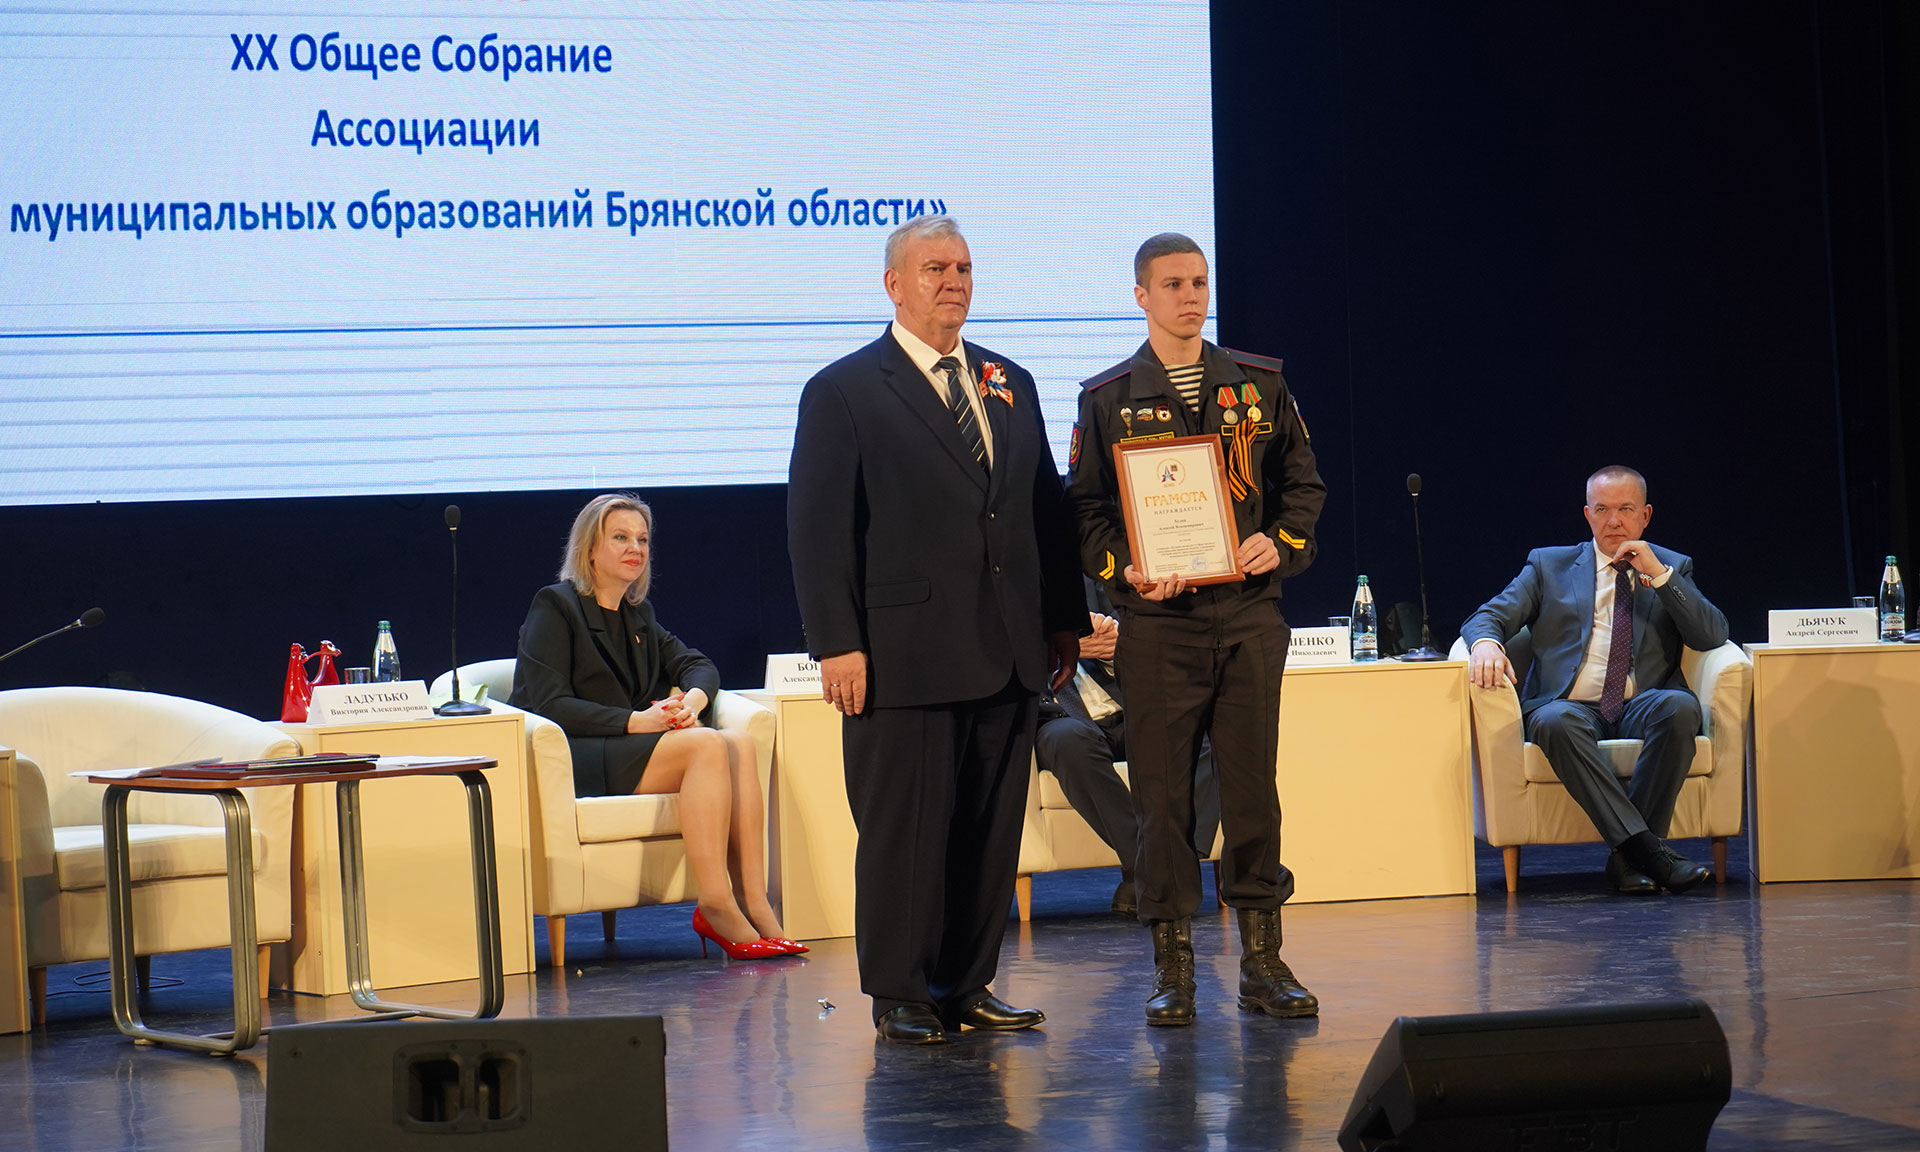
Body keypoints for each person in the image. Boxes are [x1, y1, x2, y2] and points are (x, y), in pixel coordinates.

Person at [788, 215, 1084, 1044]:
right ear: (894, 284)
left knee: (988, 833)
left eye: (962, 268)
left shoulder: (1008, 379)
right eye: (934, 269)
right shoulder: (844, 389)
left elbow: (1042, 508)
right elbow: (817, 529)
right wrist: (837, 642)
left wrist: (1063, 619)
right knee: (906, 833)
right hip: (901, 657)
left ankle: (966, 984)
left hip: (1009, 649)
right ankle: (901, 993)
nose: (953, 282)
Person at [1065, 232, 1326, 1026]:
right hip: (1157, 624)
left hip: (1246, 616)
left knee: (1251, 794)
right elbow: (1085, 511)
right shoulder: (1107, 398)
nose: (1191, 296)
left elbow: (1303, 487)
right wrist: (1124, 571)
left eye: (1200, 282)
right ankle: (1173, 967)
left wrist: (1278, 543)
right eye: (1174, 284)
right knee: (1162, 801)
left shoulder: (1258, 382)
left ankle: (1262, 963)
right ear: (1141, 296)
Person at [509, 493, 801, 960]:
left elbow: (697, 665)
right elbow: (550, 703)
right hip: (577, 753)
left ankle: (754, 901)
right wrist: (635, 721)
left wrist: (693, 700)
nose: (635, 548)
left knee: (738, 743)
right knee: (705, 745)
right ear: (589, 549)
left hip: (625, 748)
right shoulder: (556, 605)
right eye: (620, 537)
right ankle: (715, 903)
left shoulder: (637, 613)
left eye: (642, 540)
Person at [1461, 466, 1728, 895]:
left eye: (1626, 509)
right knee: (1554, 722)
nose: (1613, 521)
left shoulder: (1671, 565)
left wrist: (1660, 577)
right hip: (1570, 706)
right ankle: (1650, 852)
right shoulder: (1549, 565)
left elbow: (1712, 635)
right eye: (1602, 509)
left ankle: (1627, 859)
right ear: (1588, 515)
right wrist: (1486, 644)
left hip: (1642, 702)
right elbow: (1487, 615)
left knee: (1680, 708)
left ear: (1646, 515)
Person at [1036, 582, 1221, 918]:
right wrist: (1061, 649)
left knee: (1203, 730)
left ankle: (1173, 865)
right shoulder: (1006, 597)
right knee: (1068, 740)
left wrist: (1114, 650)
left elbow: (1151, 645)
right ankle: (1155, 868)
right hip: (1060, 717)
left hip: (1130, 709)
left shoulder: (1089, 584)